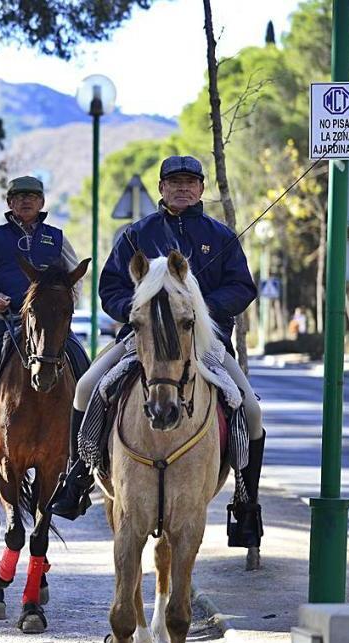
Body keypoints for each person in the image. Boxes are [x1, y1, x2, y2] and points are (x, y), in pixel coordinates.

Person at [49, 156, 266, 550]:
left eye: (190, 182)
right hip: (143, 342)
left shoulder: (221, 236)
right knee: (85, 387)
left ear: (201, 189)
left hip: (204, 343)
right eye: (174, 182)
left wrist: (196, 309)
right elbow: (110, 288)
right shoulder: (136, 235)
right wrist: (137, 312)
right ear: (161, 188)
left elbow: (242, 287)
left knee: (250, 409)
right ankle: (78, 476)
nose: (182, 188)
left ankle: (246, 503)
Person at [0, 176, 88, 461]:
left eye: (32, 196)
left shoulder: (56, 237)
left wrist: (63, 304)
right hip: (6, 318)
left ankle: (84, 441)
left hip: (48, 323)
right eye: (19, 196)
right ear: (10, 203)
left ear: (42, 202)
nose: (26, 201)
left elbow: (75, 279)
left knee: (83, 366)